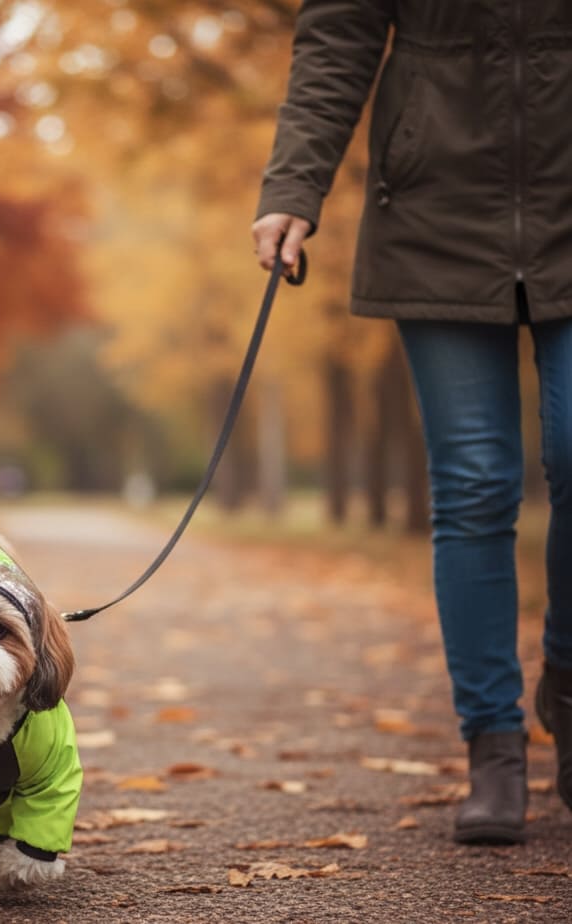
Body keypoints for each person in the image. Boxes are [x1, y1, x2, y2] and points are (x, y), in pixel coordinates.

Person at [252, 1, 572, 845]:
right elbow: (339, 33)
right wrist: (293, 186)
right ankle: (493, 748)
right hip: (436, 207)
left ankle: (568, 688)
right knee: (474, 483)